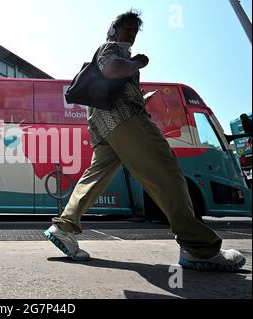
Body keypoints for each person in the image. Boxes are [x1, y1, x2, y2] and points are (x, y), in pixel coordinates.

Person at [44, 10, 246, 272]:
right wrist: (137, 63)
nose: (131, 33)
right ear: (112, 31)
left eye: (134, 30)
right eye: (126, 28)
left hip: (103, 126)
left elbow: (112, 79)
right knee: (167, 170)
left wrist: (140, 95)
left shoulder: (115, 50)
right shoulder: (112, 48)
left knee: (96, 176)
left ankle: (63, 228)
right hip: (125, 119)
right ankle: (198, 247)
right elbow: (110, 69)